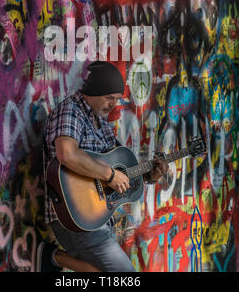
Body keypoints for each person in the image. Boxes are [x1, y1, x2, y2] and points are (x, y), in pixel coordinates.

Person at [37, 61, 169, 272]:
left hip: (97, 220)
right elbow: (67, 154)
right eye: (109, 98)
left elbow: (121, 172)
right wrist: (109, 175)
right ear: (93, 91)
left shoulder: (102, 124)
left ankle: (52, 258)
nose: (113, 105)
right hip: (74, 220)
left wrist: (148, 175)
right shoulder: (71, 112)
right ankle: (53, 258)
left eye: (116, 99)